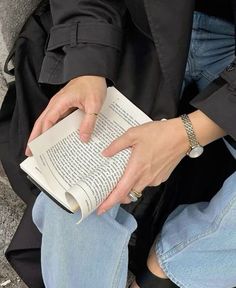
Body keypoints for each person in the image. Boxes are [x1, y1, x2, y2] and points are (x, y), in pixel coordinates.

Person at [26, 0, 236, 287]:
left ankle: (171, 271)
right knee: (78, 173)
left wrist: (189, 132)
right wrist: (87, 65)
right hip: (140, 28)